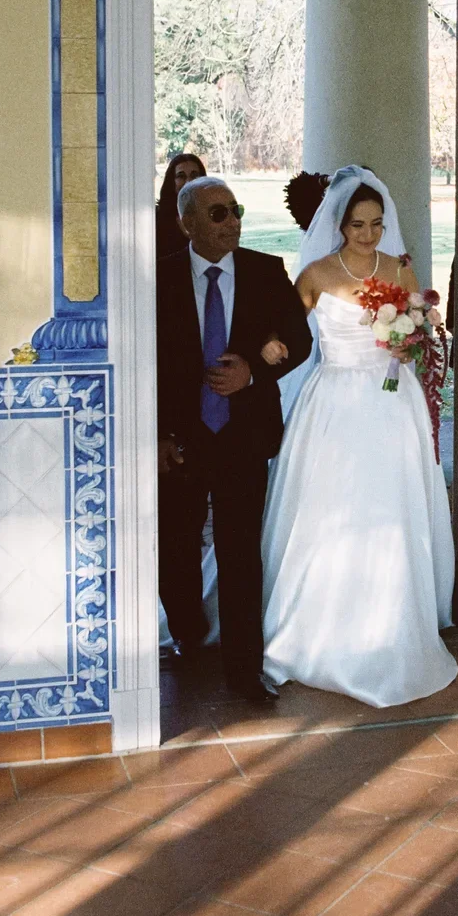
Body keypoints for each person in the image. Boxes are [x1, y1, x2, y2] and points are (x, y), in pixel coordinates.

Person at [260, 166, 458, 707]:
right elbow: (284, 328)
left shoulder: (400, 269)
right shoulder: (316, 275)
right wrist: (268, 345)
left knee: (390, 506)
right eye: (358, 225)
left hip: (392, 401)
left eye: (376, 224)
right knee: (330, 508)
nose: (369, 234)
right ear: (339, 225)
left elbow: (421, 330)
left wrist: (408, 340)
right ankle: (316, 630)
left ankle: (394, 624)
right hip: (333, 403)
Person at [157, 175, 312, 702]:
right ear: (188, 224)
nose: (232, 222)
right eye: (218, 213)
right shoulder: (159, 278)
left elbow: (299, 339)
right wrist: (158, 435)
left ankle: (245, 672)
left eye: (236, 210)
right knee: (176, 548)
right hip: (181, 440)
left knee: (241, 553)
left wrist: (253, 371)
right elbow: (146, 363)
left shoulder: (266, 272)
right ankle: (187, 631)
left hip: (243, 436)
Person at [155, 153, 208, 664]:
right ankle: (186, 632)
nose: (186, 181)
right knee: (178, 536)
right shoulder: (157, 263)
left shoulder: (255, 267)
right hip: (178, 423)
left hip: (230, 424)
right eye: (180, 176)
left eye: (195, 176)